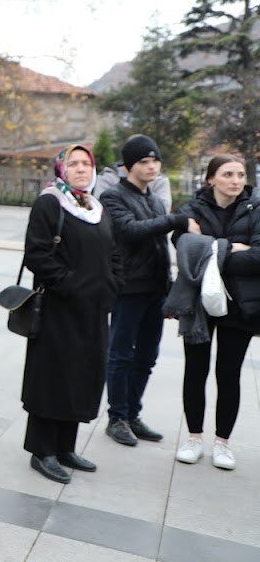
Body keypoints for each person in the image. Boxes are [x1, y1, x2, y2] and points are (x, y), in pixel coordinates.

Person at [21, 145, 123, 484]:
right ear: (60, 169)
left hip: (93, 311)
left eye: (86, 163)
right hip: (59, 309)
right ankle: (42, 450)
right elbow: (37, 255)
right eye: (73, 163)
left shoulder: (96, 207)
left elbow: (114, 253)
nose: (81, 169)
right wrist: (72, 285)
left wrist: (111, 287)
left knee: (81, 376)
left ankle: (65, 447)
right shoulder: (50, 202)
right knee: (53, 377)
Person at [98, 135, 195, 447]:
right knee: (121, 354)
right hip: (128, 288)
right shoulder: (114, 196)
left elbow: (158, 242)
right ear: (129, 166)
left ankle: (133, 413)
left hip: (155, 288)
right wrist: (175, 219)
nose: (152, 166)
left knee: (148, 357)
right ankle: (117, 417)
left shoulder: (153, 198)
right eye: (144, 161)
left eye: (155, 160)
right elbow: (129, 230)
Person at [169, 154, 260, 470]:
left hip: (240, 304)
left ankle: (222, 443)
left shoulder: (255, 207)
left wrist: (210, 249)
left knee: (229, 373)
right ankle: (194, 437)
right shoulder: (191, 210)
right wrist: (232, 248)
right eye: (228, 174)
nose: (236, 180)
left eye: (240, 174)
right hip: (198, 304)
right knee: (195, 370)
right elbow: (183, 248)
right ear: (211, 179)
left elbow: (259, 257)